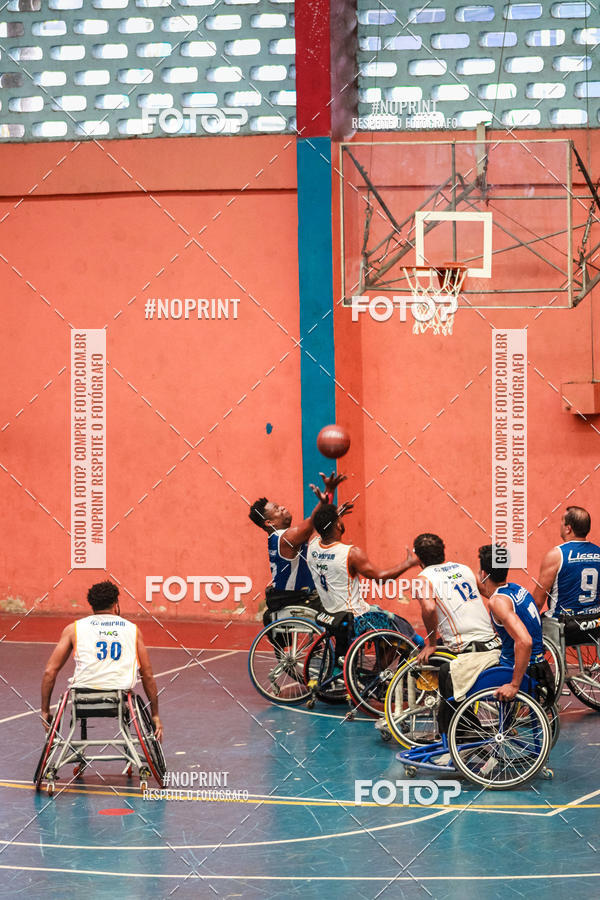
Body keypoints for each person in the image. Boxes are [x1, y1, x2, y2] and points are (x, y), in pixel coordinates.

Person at [41, 580, 163, 741]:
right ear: (116, 605)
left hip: (81, 697)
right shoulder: (132, 630)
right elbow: (147, 675)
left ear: (92, 605)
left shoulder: (73, 629)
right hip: (118, 696)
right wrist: (155, 715)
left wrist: (45, 710)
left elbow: (50, 672)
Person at [306, 503, 421, 641]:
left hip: (330, 614)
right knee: (409, 635)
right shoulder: (351, 554)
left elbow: (321, 526)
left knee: (382, 619)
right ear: (337, 525)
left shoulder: (312, 545)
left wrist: (333, 517)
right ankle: (382, 663)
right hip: (354, 617)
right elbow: (380, 578)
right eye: (339, 520)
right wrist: (407, 564)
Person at [249, 472, 348, 625]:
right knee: (346, 619)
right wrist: (329, 489)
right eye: (276, 509)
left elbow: (317, 526)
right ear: (269, 523)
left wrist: (332, 515)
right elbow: (312, 523)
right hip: (300, 602)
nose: (282, 507)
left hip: (298, 599)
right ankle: (345, 649)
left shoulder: (283, 538)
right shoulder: (286, 539)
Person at [478, 544, 554, 703]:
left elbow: (525, 641)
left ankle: (463, 727)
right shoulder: (517, 589)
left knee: (449, 674)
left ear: (483, 574)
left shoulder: (497, 602)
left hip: (516, 671)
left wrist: (514, 684)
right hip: (540, 667)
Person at [411, 533, 499, 661]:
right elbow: (494, 594)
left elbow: (429, 608)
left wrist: (431, 644)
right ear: (443, 550)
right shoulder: (464, 569)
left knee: (416, 662)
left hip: (464, 645)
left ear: (418, 558)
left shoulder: (423, 579)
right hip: (491, 639)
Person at [533, 506, 600, 643]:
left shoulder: (556, 555)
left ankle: (535, 663)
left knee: (525, 624)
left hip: (564, 625)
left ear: (568, 528)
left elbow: (538, 601)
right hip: (594, 624)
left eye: (562, 522)